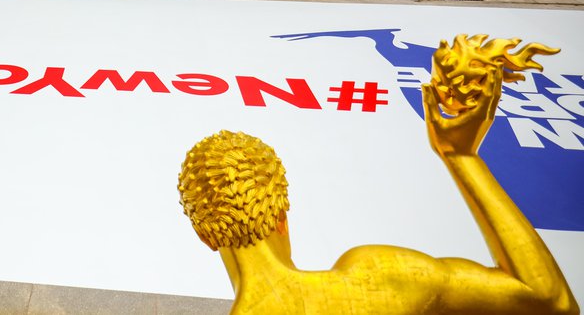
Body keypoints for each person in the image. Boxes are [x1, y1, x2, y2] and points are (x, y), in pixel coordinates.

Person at [177, 35, 577, 315]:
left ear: (204, 235)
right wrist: (461, 155)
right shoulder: (382, 277)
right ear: (282, 214)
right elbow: (548, 298)